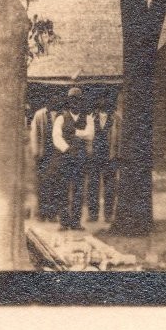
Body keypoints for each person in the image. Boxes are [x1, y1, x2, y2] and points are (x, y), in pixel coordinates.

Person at [51, 87, 90, 230]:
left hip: (80, 158)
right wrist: (67, 149)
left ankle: (76, 222)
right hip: (64, 158)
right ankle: (63, 222)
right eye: (73, 100)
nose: (76, 103)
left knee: (79, 190)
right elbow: (56, 137)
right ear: (69, 101)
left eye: (78, 100)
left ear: (81, 102)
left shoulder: (87, 118)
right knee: (63, 189)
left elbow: (90, 134)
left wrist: (73, 132)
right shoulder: (61, 117)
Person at [86, 107, 118, 222]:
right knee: (93, 186)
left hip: (110, 157)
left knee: (110, 187)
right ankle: (93, 214)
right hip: (94, 157)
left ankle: (108, 215)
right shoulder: (91, 117)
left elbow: (118, 138)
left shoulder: (116, 118)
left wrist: (116, 155)